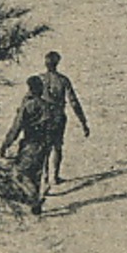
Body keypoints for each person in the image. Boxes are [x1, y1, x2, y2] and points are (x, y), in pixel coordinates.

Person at [0, 75, 56, 214]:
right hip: (43, 144)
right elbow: (52, 127)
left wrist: (6, 144)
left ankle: (34, 200)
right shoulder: (47, 106)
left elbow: (16, 127)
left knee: (20, 173)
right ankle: (35, 207)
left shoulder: (28, 105)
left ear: (30, 89)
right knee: (35, 174)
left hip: (30, 142)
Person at [40, 52, 90, 185]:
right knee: (57, 146)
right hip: (58, 116)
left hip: (42, 117)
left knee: (44, 146)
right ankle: (55, 177)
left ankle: (44, 176)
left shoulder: (40, 79)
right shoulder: (63, 80)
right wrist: (83, 122)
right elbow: (73, 102)